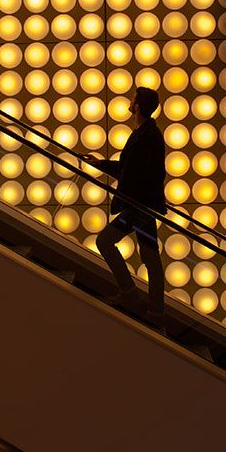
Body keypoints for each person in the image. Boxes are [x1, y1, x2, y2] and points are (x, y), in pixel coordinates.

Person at [82, 86, 167, 333]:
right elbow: (128, 168)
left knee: (105, 241)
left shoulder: (148, 135)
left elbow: (147, 174)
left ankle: (131, 294)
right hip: (142, 208)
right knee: (151, 257)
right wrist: (101, 164)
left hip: (138, 208)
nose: (130, 102)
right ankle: (156, 313)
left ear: (138, 105)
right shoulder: (144, 133)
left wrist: (138, 202)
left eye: (133, 99)